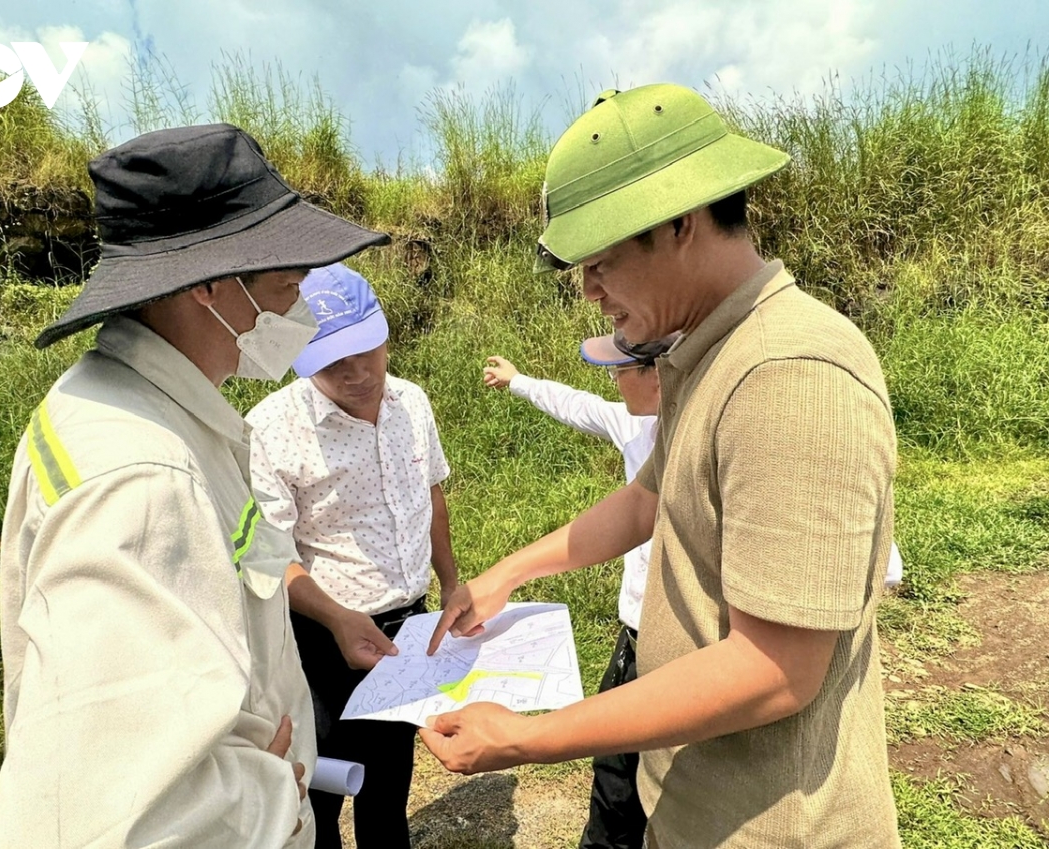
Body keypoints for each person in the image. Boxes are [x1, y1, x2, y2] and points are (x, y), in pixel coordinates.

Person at [422, 84, 903, 848]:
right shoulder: (704, 352)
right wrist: (507, 572)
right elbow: (649, 499)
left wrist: (527, 738)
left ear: (681, 221)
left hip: (769, 827)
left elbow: (774, 667)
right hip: (694, 800)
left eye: (602, 260)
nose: (588, 290)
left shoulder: (790, 374)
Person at [0, 124, 389, 848]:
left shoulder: (119, 405)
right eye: (284, 284)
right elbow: (122, 817)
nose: (298, 307)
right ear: (208, 285)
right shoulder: (140, 478)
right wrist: (277, 791)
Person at [246, 263, 458, 849]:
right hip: (320, 637)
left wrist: (451, 582)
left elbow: (431, 494)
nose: (357, 372)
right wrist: (338, 618)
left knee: (387, 780)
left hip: (405, 628)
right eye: (332, 360)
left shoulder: (412, 403)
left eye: (367, 349)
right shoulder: (270, 431)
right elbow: (269, 556)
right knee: (319, 790)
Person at [484, 334, 672, 849]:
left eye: (621, 370)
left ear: (659, 373)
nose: (612, 381)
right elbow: (577, 406)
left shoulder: (734, 433)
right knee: (615, 780)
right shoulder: (635, 424)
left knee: (678, 788)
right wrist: (518, 382)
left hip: (695, 648)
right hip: (637, 633)